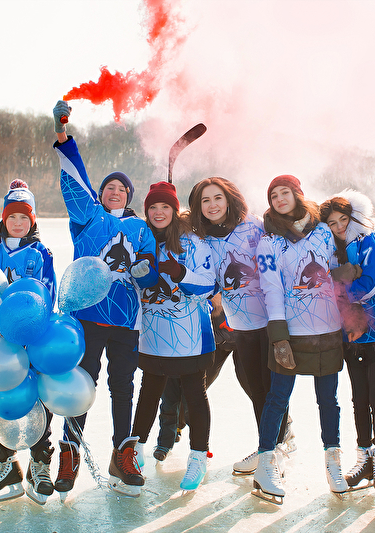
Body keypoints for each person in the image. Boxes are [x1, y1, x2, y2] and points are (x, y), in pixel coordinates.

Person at [52, 101, 159, 498]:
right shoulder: (88, 217)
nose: (115, 191)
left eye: (122, 189)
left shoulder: (141, 228)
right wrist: (63, 136)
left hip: (126, 322)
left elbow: (151, 270)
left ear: (129, 196)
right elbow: (75, 181)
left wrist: (146, 271)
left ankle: (123, 454)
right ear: (100, 194)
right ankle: (70, 454)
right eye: (109, 187)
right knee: (80, 385)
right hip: (86, 317)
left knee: (123, 387)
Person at [188, 177, 294, 477]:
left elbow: (282, 258)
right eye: (205, 200)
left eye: (217, 198)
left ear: (229, 199)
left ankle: (275, 449)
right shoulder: (202, 240)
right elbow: (207, 279)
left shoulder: (253, 226)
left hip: (271, 321)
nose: (212, 205)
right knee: (257, 390)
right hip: (241, 325)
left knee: (273, 390)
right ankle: (267, 449)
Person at [252, 175, 347, 504]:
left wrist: (345, 277)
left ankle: (333, 463)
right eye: (273, 195)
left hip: (327, 329)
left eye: (285, 193)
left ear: (298, 194)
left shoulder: (323, 231)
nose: (279, 199)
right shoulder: (269, 242)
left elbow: (334, 268)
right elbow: (271, 290)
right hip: (291, 332)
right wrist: (279, 338)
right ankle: (265, 464)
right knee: (277, 399)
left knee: (328, 400)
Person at [0, 179, 57, 505]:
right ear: (4, 218)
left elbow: (48, 293)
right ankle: (5, 466)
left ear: (32, 220)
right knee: (3, 396)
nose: (18, 223)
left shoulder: (40, 252)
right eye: (12, 217)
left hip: (31, 338)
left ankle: (40, 465)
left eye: (24, 217)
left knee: (36, 397)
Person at [129, 181, 216, 492]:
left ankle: (198, 456)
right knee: (149, 392)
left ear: (174, 210)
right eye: (152, 207)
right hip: (152, 335)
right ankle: (135, 451)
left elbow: (208, 285)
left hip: (190, 335)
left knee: (195, 393)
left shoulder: (193, 242)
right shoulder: (142, 241)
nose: (158, 212)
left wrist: (180, 273)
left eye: (165, 206)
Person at [320, 192, 375, 492]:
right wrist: (337, 283)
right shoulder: (333, 249)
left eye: (343, 219)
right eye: (332, 223)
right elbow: (322, 283)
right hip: (350, 333)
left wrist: (340, 290)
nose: (339, 227)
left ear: (354, 216)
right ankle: (363, 457)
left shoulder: (371, 241)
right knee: (358, 397)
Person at [152, 293, 235, 462]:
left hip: (207, 346)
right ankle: (165, 442)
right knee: (169, 399)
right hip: (175, 343)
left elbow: (227, 332)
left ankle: (200, 447)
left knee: (193, 398)